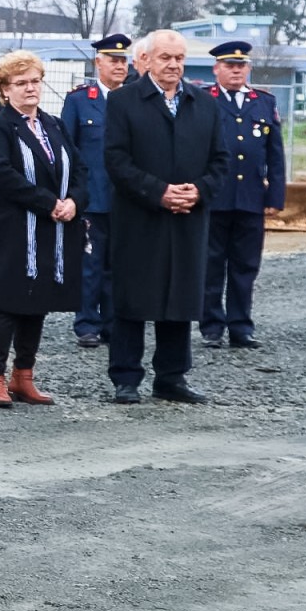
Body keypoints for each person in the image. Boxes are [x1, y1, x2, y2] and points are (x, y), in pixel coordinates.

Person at [104, 29, 230, 404]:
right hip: (139, 217)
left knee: (180, 296)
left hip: (188, 217)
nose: (173, 65)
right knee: (132, 297)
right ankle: (126, 377)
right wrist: (158, 192)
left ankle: (171, 377)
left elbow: (220, 160)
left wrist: (199, 190)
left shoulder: (204, 103)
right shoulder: (124, 101)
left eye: (179, 58)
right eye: (165, 57)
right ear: (145, 60)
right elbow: (116, 160)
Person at [0, 51, 84, 407]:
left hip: (51, 228)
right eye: (21, 83)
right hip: (12, 228)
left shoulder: (54, 124)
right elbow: (0, 173)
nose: (30, 88)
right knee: (8, 302)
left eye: (35, 81)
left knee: (38, 301)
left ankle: (24, 376)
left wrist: (74, 201)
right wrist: (48, 202)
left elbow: (79, 169)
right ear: (5, 89)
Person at [200, 41, 285, 350]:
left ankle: (241, 327)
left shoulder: (263, 102)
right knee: (211, 265)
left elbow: (275, 154)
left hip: (250, 197)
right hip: (214, 197)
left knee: (245, 267)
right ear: (216, 69)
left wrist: (275, 197)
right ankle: (211, 327)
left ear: (248, 68)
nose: (236, 71)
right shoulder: (203, 101)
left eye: (241, 66)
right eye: (229, 66)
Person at [62, 33, 131, 348]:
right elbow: (69, 151)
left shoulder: (134, 99)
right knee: (90, 265)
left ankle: (113, 324)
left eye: (123, 61)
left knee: (120, 266)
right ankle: (87, 323)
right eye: (113, 60)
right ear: (98, 63)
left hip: (127, 198)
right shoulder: (79, 100)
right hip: (92, 198)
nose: (119, 66)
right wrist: (72, 195)